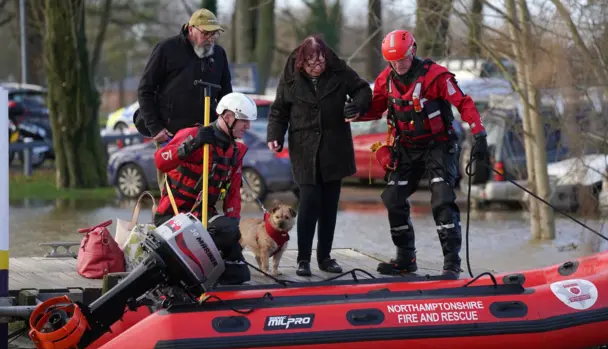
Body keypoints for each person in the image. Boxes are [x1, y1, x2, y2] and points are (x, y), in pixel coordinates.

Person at [352, 30, 490, 279]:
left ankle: (451, 262)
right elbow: (376, 109)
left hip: (438, 145)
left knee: (441, 200)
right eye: (392, 62)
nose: (398, 65)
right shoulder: (387, 80)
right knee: (393, 198)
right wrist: (356, 111)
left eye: (402, 60)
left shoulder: (435, 76)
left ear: (412, 51)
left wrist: (479, 134)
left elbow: (464, 103)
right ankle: (405, 259)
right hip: (406, 147)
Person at [267, 35, 373, 277]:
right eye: (312, 63)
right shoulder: (291, 76)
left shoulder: (339, 70)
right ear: (301, 62)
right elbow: (279, 109)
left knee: (329, 207)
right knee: (309, 204)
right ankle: (303, 259)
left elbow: (363, 90)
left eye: (321, 62)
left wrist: (356, 106)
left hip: (334, 148)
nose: (317, 67)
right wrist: (275, 135)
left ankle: (324, 257)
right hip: (304, 148)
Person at [152, 92, 256, 285]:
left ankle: (202, 273)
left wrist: (234, 227)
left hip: (204, 219)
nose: (248, 126)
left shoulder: (235, 151)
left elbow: (233, 194)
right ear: (228, 117)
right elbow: (160, 162)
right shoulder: (193, 135)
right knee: (226, 231)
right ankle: (185, 271)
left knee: (240, 274)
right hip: (173, 217)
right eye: (244, 121)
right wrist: (191, 145)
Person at [135, 8, 233, 189]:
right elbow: (145, 90)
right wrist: (156, 128)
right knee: (171, 193)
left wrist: (228, 129)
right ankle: (165, 217)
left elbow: (227, 96)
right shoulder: (167, 49)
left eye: (215, 34)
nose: (211, 38)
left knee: (201, 194)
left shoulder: (219, 55)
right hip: (171, 137)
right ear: (191, 30)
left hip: (206, 137)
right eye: (206, 33)